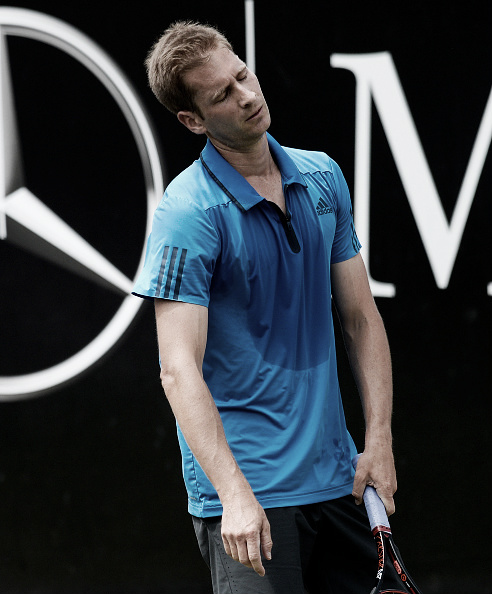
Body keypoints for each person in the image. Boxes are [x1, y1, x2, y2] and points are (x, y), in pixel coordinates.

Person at [133, 20, 399, 594]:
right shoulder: (188, 213)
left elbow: (360, 318)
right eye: (221, 95)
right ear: (192, 121)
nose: (247, 96)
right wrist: (233, 495)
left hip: (337, 482)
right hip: (248, 500)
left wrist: (378, 440)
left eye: (243, 76)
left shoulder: (323, 177)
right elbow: (178, 369)